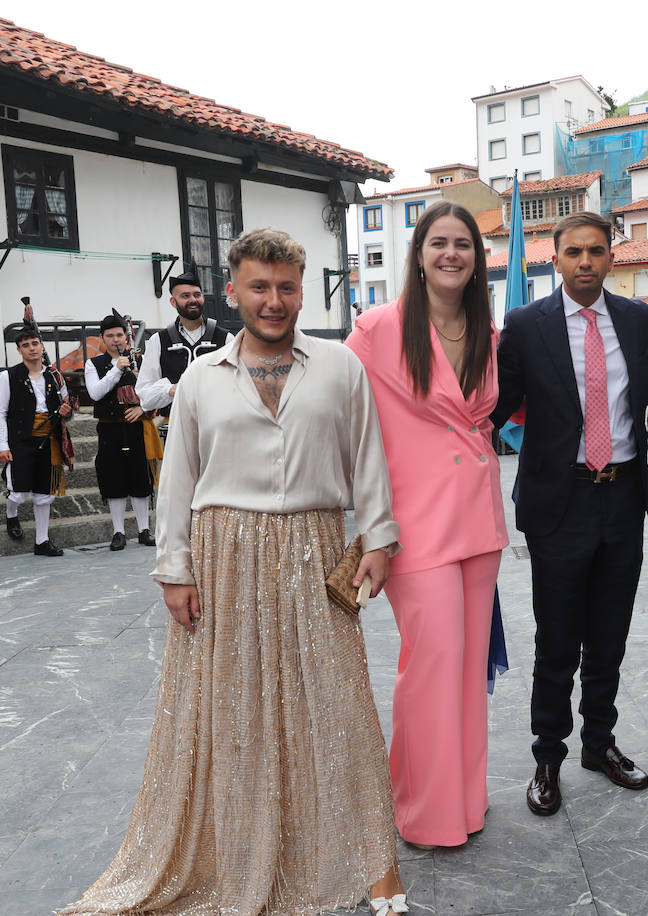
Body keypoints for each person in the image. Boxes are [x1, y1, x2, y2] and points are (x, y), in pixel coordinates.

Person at [62, 228, 410, 916]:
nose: (273, 300)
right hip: (224, 554)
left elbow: (368, 454)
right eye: (259, 287)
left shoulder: (340, 366)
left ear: (301, 292)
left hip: (314, 544)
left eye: (286, 288)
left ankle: (374, 861)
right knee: (231, 705)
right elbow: (179, 477)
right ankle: (241, 850)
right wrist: (174, 569)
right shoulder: (199, 377)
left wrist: (378, 537)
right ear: (233, 292)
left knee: (338, 701)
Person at [345, 201, 507, 848]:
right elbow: (338, 409)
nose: (451, 254)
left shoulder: (485, 329)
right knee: (432, 662)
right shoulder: (378, 329)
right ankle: (421, 810)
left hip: (479, 519)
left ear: (477, 259)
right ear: (417, 255)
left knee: (467, 669)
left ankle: (465, 800)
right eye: (438, 242)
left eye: (463, 244)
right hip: (412, 523)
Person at [492, 211, 648, 817]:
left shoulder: (637, 320)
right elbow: (497, 403)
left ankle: (599, 743)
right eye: (573, 252)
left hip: (622, 495)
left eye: (596, 251)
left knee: (609, 636)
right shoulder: (526, 325)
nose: (585, 261)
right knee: (558, 640)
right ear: (555, 259)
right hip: (559, 501)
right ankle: (547, 756)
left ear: (611, 256)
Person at [0, 321, 72, 557]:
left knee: (44, 494)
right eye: (25, 345)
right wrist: (2, 446)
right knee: (18, 492)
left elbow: (67, 408)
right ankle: (11, 514)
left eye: (35, 343)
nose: (31, 348)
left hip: (49, 439)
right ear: (19, 350)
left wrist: (67, 411)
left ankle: (42, 541)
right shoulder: (7, 376)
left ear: (41, 345)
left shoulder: (55, 376)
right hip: (20, 439)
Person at [84, 312, 161, 550]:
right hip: (109, 428)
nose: (116, 340)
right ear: (102, 338)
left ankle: (144, 529)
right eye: (110, 336)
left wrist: (142, 407)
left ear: (126, 337)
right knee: (113, 478)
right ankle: (119, 532)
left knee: (140, 478)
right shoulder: (93, 364)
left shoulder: (141, 360)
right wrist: (116, 369)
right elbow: (95, 393)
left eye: (119, 335)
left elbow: (156, 389)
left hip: (137, 426)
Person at [135, 271, 232, 414]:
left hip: (218, 422)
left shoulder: (225, 338)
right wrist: (171, 389)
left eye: (197, 295)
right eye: (185, 296)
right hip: (174, 422)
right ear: (173, 302)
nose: (193, 300)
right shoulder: (158, 340)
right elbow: (145, 394)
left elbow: (239, 386)